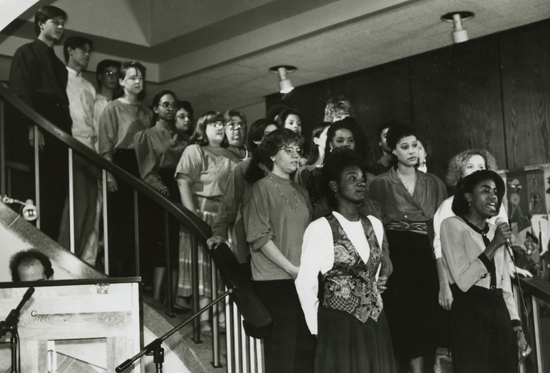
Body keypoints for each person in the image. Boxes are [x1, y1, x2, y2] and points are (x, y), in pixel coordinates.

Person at [296, 148, 397, 373]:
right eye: (352, 178)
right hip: (339, 326)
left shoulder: (375, 225)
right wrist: (318, 329)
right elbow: (305, 284)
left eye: (363, 179)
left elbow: (373, 272)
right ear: (334, 186)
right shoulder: (320, 228)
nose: (361, 183)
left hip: (376, 324)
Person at [368, 124, 447, 373]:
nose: (412, 151)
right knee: (404, 324)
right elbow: (375, 229)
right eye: (404, 147)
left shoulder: (434, 183)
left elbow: (441, 228)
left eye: (415, 146)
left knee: (428, 320)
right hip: (397, 256)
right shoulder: (380, 184)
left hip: (426, 254)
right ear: (393, 150)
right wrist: (383, 266)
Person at [441, 170, 529, 373]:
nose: (493, 197)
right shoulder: (452, 226)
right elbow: (463, 281)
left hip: (499, 314)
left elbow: (505, 286)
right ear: (468, 197)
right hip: (470, 315)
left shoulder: (495, 230)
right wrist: (494, 244)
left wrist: (517, 328)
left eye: (496, 192)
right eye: (485, 190)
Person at [243, 128, 316, 373]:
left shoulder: (301, 190)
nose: (296, 156)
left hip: (301, 279)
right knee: (282, 355)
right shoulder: (261, 188)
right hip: (275, 281)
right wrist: (292, 269)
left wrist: (303, 272)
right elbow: (259, 238)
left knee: (306, 352)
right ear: (272, 156)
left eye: (298, 150)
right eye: (289, 150)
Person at [433, 150, 531, 311]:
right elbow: (439, 251)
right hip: (464, 285)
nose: (477, 170)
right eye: (470, 166)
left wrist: (510, 266)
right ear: (460, 173)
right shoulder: (447, 207)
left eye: (481, 166)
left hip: (493, 288)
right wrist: (444, 286)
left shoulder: (495, 205)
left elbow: (502, 242)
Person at [9, 5, 71, 241]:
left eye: (62, 23)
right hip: (38, 121)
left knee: (57, 194)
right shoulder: (26, 52)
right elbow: (20, 93)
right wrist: (32, 126)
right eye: (55, 21)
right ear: (41, 23)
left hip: (58, 128)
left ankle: (50, 245)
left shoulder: (58, 66)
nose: (60, 27)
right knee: (38, 190)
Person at [175, 111, 240, 331]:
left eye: (222, 124)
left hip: (225, 216)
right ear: (203, 128)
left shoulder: (232, 156)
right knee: (203, 267)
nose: (220, 127)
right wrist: (192, 218)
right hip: (201, 212)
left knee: (221, 267)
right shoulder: (195, 150)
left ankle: (220, 315)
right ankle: (204, 318)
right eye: (214, 124)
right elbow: (183, 182)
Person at [98, 61, 152, 276]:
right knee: (120, 223)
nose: (138, 81)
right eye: (132, 77)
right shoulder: (112, 108)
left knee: (142, 221)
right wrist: (110, 175)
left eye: (140, 77)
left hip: (143, 166)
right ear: (121, 82)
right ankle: (118, 272)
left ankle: (138, 273)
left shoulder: (146, 111)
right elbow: (106, 145)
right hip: (122, 164)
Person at [135, 90, 187, 304]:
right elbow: (146, 169)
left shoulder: (183, 138)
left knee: (177, 245)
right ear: (155, 109)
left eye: (173, 105)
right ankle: (156, 297)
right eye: (165, 104)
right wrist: (160, 186)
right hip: (160, 189)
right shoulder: (146, 135)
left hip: (180, 188)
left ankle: (173, 298)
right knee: (161, 244)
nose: (170, 108)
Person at [208, 119, 278, 275]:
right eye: (268, 135)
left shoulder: (287, 168)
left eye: (276, 135)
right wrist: (219, 233)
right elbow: (228, 205)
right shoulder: (244, 167)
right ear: (257, 140)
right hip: (250, 243)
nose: (274, 140)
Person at [57, 36, 98, 259]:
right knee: (76, 208)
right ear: (70, 51)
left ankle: (77, 260)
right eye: (83, 50)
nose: (87, 55)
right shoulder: (60, 77)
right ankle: (64, 257)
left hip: (90, 149)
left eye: (89, 51)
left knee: (91, 212)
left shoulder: (89, 86)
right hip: (73, 145)